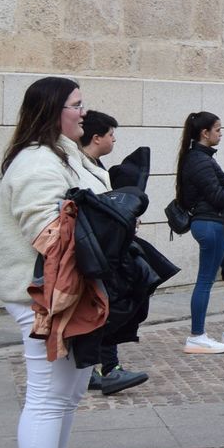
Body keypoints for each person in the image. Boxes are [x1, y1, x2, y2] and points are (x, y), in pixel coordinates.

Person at [0, 77, 107, 448]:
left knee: (67, 394)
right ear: (52, 111)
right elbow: (52, 236)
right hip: (43, 296)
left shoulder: (63, 153)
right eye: (76, 105)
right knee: (46, 398)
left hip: (70, 293)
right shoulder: (38, 162)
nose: (83, 113)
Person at [76, 111, 148, 396]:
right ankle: (100, 369)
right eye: (111, 134)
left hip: (107, 251)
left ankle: (104, 368)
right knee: (102, 308)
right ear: (96, 138)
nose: (114, 139)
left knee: (109, 305)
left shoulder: (97, 166)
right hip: (94, 253)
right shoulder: (80, 168)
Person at [177, 111, 224, 353]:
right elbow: (219, 197)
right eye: (217, 129)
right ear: (204, 133)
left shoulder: (204, 158)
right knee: (205, 280)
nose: (220, 133)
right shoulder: (198, 160)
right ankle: (197, 335)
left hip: (217, 223)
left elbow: (223, 185)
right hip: (210, 224)